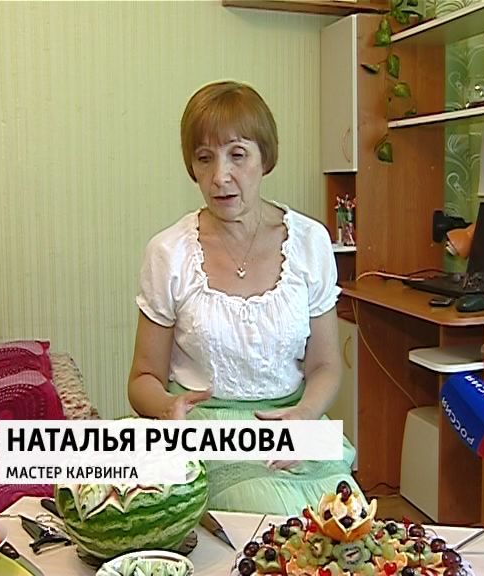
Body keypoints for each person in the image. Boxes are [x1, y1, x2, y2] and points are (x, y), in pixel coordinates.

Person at [127, 80, 362, 515]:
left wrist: (305, 415)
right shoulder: (169, 252)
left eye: (237, 155)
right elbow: (142, 379)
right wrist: (167, 407)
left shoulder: (310, 241)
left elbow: (326, 366)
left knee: (351, 522)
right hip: (208, 430)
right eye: (204, 158)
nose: (220, 177)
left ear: (265, 158)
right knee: (280, 525)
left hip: (296, 423)